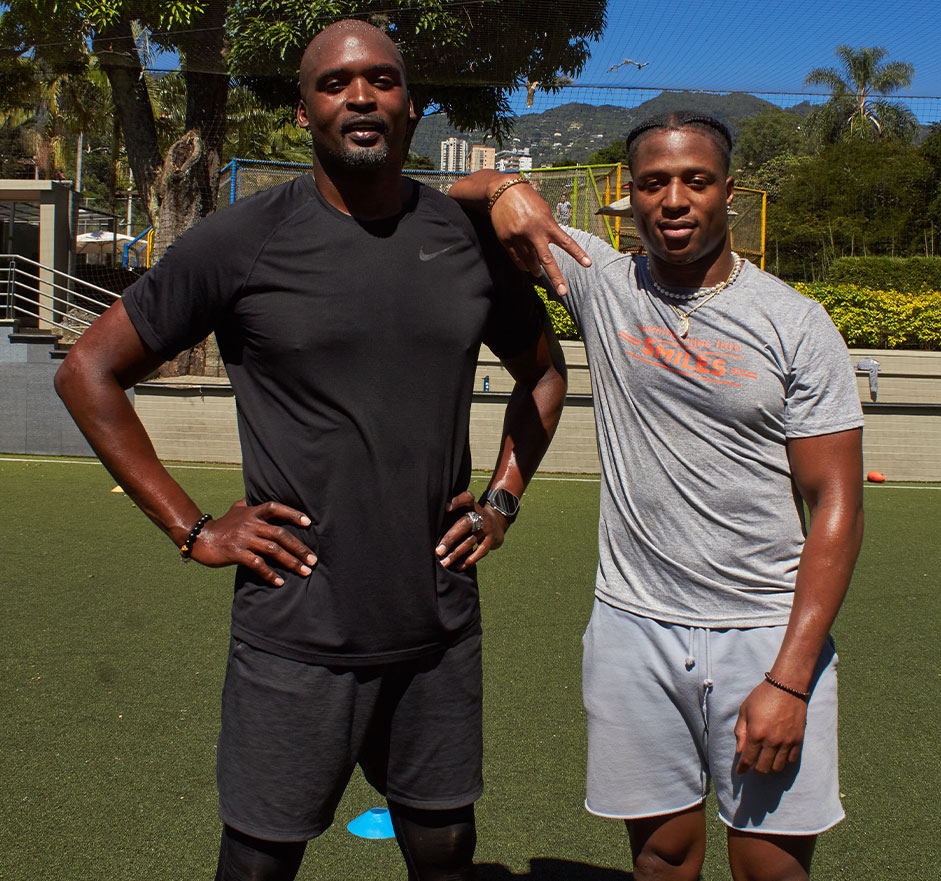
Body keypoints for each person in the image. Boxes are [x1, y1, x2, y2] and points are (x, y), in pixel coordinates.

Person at [55, 20, 567, 881]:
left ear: (411, 106)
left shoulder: (464, 239)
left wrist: (502, 497)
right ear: (303, 112)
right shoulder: (240, 240)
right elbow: (87, 372)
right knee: (258, 861)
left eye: (381, 80)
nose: (359, 96)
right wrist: (193, 528)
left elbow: (543, 373)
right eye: (334, 84)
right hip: (295, 625)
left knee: (446, 850)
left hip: (436, 623)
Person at [450, 111, 864, 881]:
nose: (674, 199)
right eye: (653, 182)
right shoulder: (600, 281)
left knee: (770, 866)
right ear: (628, 197)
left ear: (728, 193)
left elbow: (837, 506)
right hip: (634, 628)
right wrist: (509, 186)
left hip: (764, 632)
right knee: (662, 858)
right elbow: (456, 195)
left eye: (695, 180)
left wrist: (790, 675)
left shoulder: (796, 324)